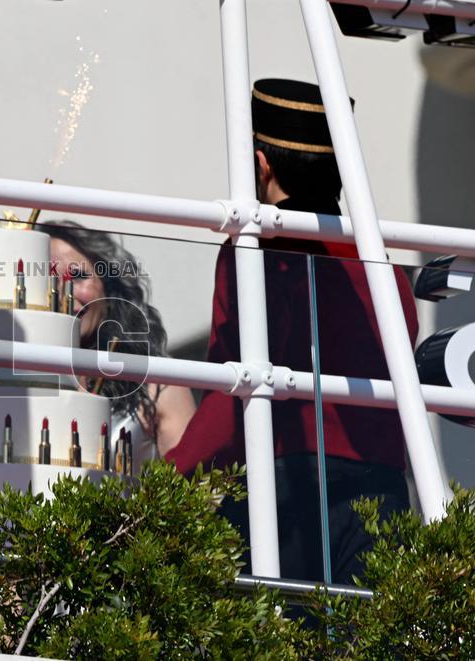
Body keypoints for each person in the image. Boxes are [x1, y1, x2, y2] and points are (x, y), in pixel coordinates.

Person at [164, 79, 417, 583]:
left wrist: (169, 481)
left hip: (285, 492)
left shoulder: (253, 252)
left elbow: (233, 388)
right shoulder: (381, 263)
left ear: (261, 165)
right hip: (382, 490)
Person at [41, 221, 196, 468]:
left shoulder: (159, 384)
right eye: (50, 280)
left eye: (78, 276)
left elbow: (195, 485)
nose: (63, 294)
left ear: (109, 286)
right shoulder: (14, 381)